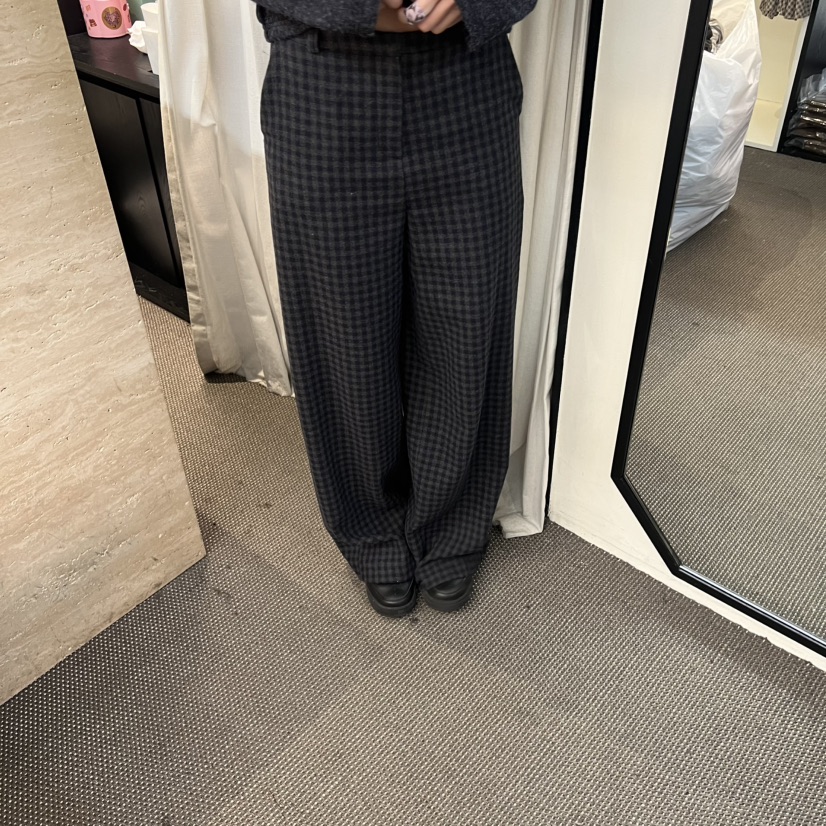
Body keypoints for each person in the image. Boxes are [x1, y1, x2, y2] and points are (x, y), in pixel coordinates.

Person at [254, 0, 537, 616]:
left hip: (466, 83)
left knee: (466, 326)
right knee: (344, 336)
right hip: (324, 86)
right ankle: (373, 531)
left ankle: (451, 525)